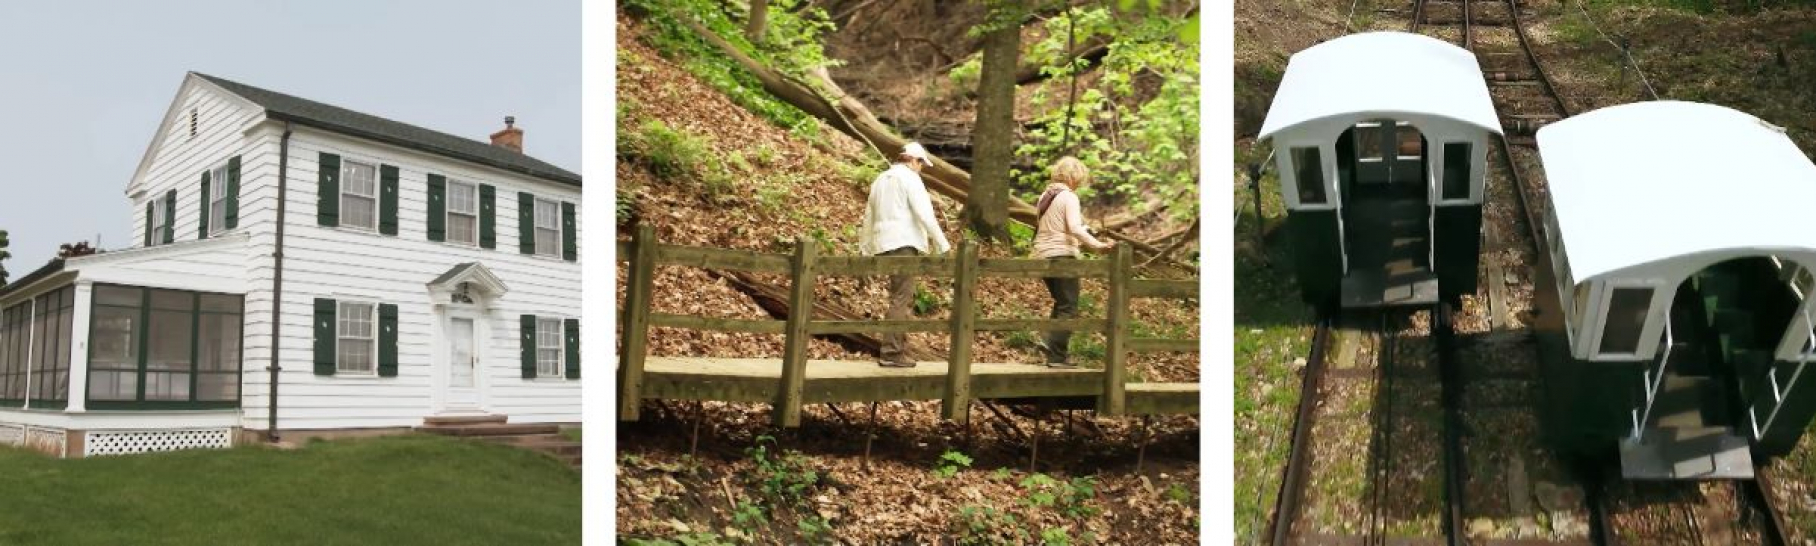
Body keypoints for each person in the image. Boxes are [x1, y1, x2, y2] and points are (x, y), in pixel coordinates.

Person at [859, 142, 951, 368]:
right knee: (902, 297)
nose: (922, 168)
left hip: (883, 243)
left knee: (896, 296)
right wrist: (942, 244)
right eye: (921, 163)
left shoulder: (881, 179)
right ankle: (892, 353)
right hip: (903, 242)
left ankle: (894, 349)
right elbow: (925, 214)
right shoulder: (910, 179)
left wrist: (865, 248)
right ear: (913, 160)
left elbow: (869, 215)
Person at [1033, 156, 1114, 368]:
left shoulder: (1046, 195)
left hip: (1044, 254)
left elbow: (1055, 225)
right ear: (1074, 176)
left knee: (1061, 303)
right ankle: (1057, 357)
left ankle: (1049, 343)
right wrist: (1097, 245)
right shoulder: (1068, 197)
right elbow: (1074, 228)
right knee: (1069, 307)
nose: (1080, 182)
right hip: (1062, 255)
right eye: (1080, 178)